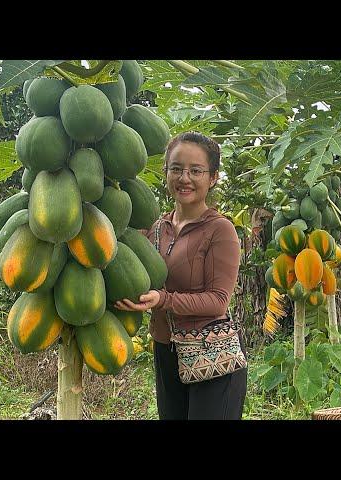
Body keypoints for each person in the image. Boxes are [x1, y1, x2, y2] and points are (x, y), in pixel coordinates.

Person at [113, 131, 246, 420]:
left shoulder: (220, 230)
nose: (184, 178)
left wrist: (162, 300)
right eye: (176, 169)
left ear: (212, 178)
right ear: (166, 173)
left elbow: (217, 302)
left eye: (195, 170)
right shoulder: (156, 229)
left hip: (211, 356)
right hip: (166, 350)